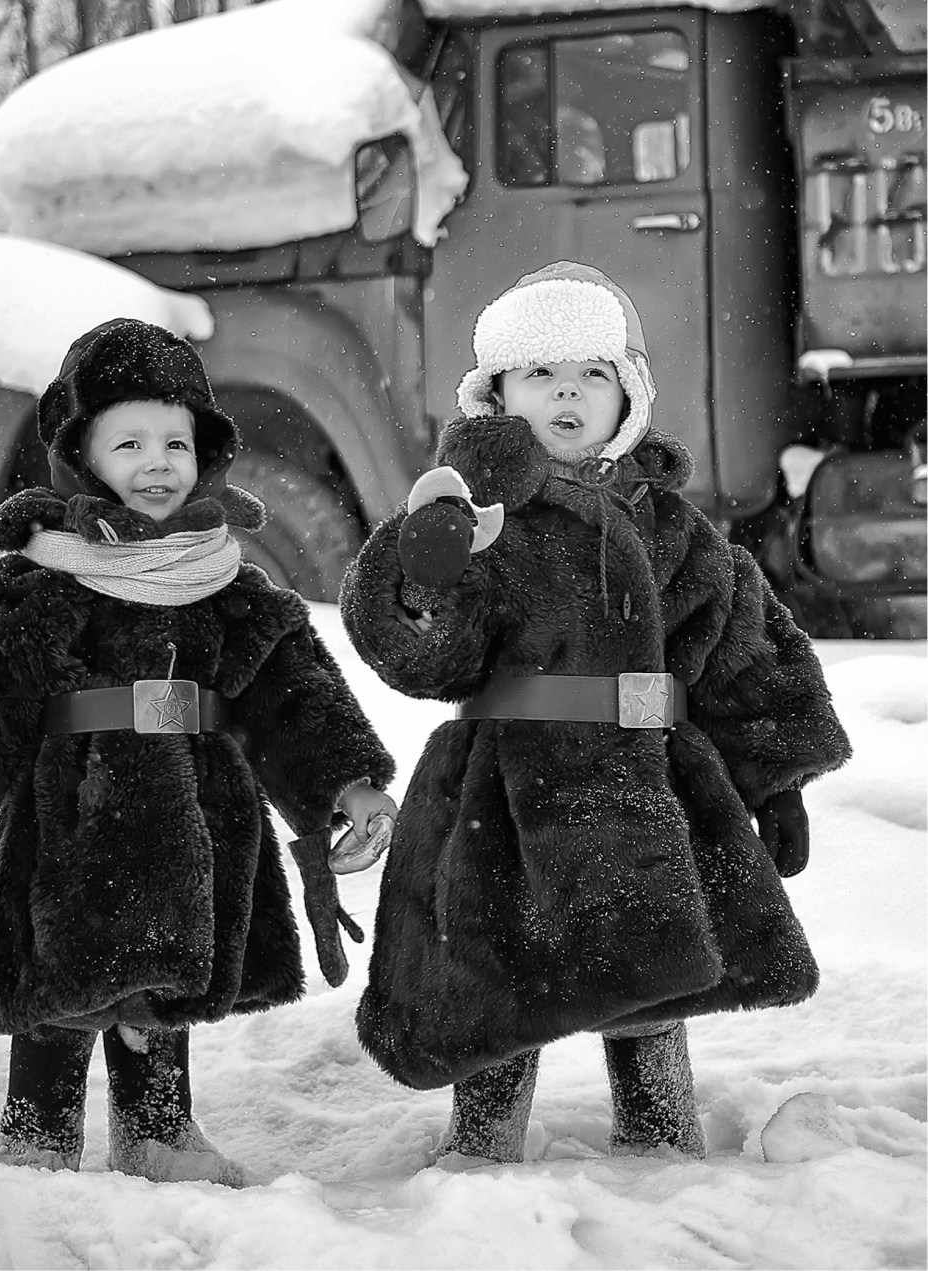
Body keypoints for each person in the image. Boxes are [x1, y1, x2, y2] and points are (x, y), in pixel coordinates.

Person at [339, 261, 851, 1165]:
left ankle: (659, 1129)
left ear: (630, 396)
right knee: (499, 972)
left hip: (648, 778)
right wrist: (424, 572)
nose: (568, 392)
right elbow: (425, 653)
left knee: (654, 968)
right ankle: (482, 1138)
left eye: (592, 374)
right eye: (540, 373)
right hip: (508, 788)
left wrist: (777, 777)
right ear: (496, 397)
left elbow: (743, 648)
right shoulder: (476, 514)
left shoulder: (674, 526)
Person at [0, 317, 396, 1184]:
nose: (159, 462)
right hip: (71, 816)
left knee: (165, 974)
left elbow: (294, 698)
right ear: (81, 456)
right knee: (61, 984)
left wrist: (349, 783)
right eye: (130, 443)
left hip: (194, 812)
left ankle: (158, 1130)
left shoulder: (226, 583)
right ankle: (37, 1129)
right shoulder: (34, 584)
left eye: (176, 442)